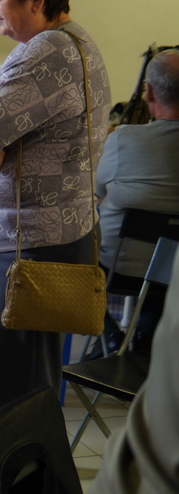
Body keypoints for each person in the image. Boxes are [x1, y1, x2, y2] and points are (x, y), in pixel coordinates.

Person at [0, 0, 111, 425]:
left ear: (36, 0)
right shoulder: (74, 41)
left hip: (29, 247)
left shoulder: (47, 52)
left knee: (12, 399)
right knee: (8, 384)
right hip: (47, 238)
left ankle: (12, 476)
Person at [89, 48, 179, 355]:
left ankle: (108, 334)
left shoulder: (123, 140)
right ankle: (145, 338)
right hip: (174, 275)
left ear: (149, 92)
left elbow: (97, 191)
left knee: (70, 250)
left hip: (117, 269)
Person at [85, 248, 179, 494]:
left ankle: (110, 334)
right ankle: (125, 339)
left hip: (132, 484)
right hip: (139, 489)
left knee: (85, 266)